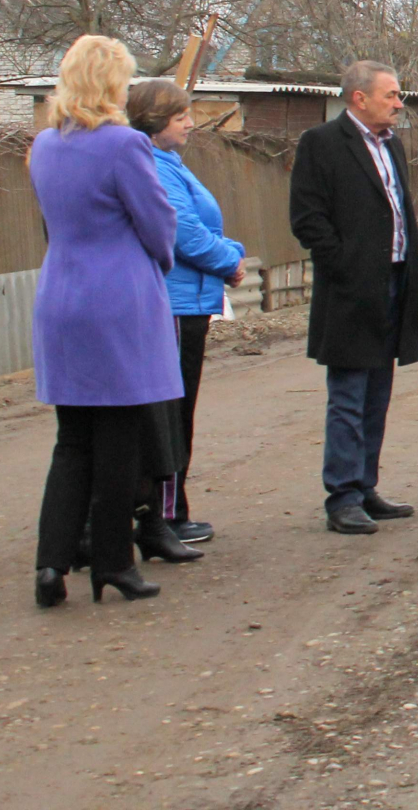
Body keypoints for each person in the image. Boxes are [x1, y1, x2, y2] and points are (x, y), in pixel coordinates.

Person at [29, 35, 182, 607]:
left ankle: (51, 563)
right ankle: (115, 564)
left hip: (60, 294)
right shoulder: (125, 145)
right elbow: (157, 224)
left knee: (72, 439)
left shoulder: (43, 145)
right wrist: (159, 258)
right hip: (117, 300)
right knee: (119, 438)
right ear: (114, 84)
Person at [289, 60, 418, 536]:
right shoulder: (322, 144)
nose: (398, 102)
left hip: (393, 283)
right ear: (359, 98)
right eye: (390, 94)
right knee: (348, 395)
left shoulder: (392, 146)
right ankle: (342, 495)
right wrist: (344, 265)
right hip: (350, 289)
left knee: (377, 393)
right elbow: (307, 218)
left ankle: (365, 485)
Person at [131, 78, 246, 556]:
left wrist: (228, 252)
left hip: (190, 298)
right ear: (156, 122)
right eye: (180, 116)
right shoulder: (154, 166)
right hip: (175, 302)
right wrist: (231, 260)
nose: (189, 123)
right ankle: (165, 513)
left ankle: (170, 506)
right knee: (170, 414)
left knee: (179, 412)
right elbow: (182, 233)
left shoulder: (169, 163)